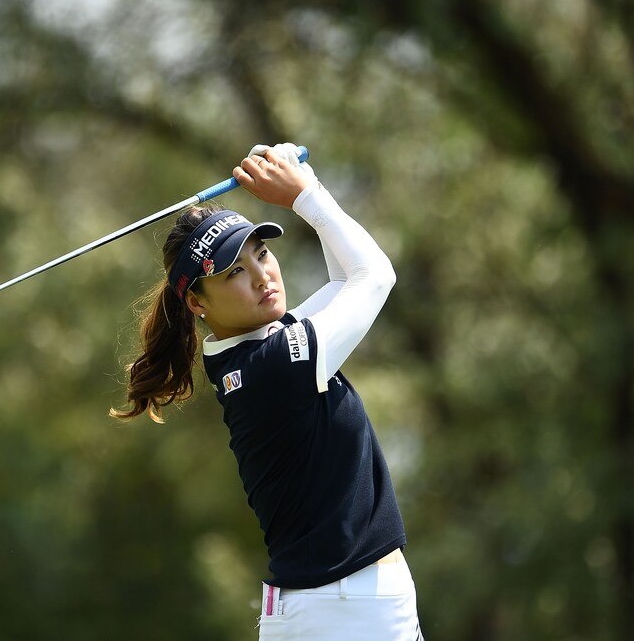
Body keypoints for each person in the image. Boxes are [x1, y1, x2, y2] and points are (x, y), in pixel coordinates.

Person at [113, 143, 423, 640]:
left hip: (333, 607)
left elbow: (346, 276)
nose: (262, 277)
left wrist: (303, 177)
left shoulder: (260, 354)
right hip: (347, 609)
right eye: (235, 272)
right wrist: (307, 195)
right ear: (196, 300)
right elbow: (375, 276)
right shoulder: (276, 365)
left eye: (261, 254)